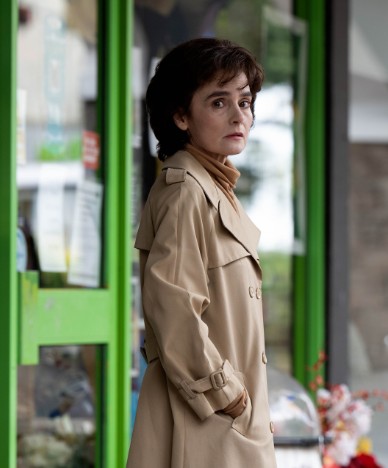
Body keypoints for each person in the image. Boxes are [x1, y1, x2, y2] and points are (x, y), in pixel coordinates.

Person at [126, 38, 276, 468]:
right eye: (218, 102)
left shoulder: (213, 185)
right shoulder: (186, 190)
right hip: (204, 419)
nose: (238, 115)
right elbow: (172, 303)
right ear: (180, 116)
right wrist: (226, 393)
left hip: (224, 421)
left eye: (245, 102)